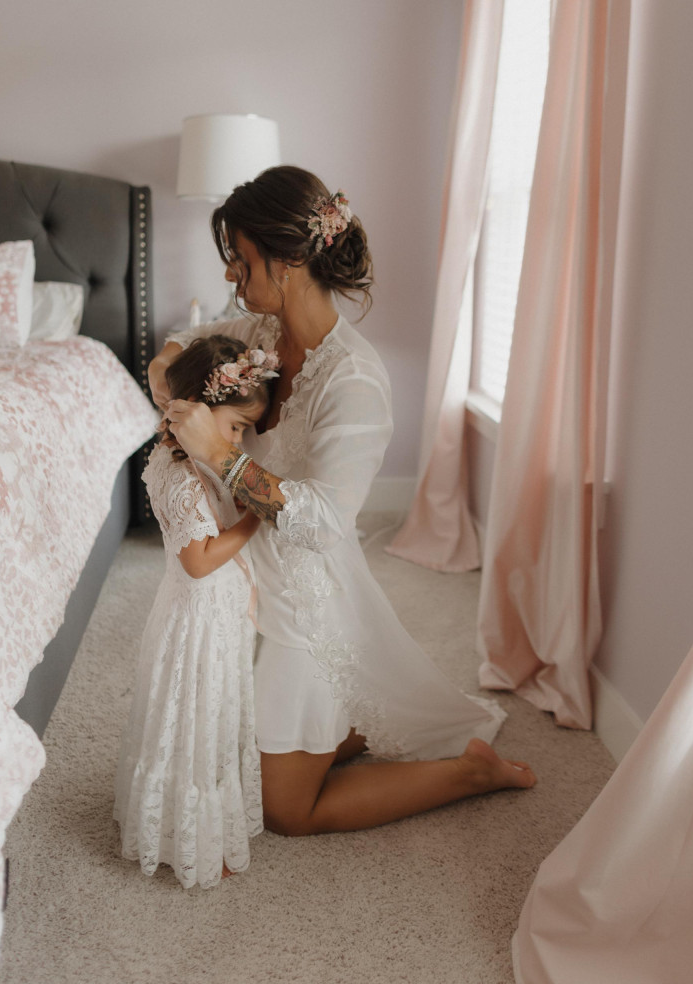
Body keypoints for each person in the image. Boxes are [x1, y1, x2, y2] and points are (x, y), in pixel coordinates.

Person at [150, 166, 535, 839]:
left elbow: (324, 522)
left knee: (283, 809)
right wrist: (169, 375)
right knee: (222, 752)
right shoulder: (261, 335)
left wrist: (220, 455)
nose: (233, 278)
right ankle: (332, 728)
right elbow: (185, 343)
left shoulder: (354, 379)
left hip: (302, 595)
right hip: (243, 580)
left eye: (241, 262)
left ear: (290, 260)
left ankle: (471, 772)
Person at [114, 334, 279, 888]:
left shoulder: (178, 452)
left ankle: (193, 826)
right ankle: (194, 838)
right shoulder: (183, 477)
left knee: (205, 717)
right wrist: (253, 517)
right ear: (198, 410)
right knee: (197, 722)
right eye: (233, 427)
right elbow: (200, 561)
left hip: (210, 615)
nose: (236, 442)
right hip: (199, 619)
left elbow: (168, 356)